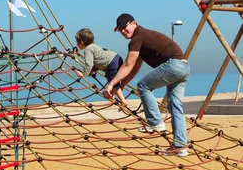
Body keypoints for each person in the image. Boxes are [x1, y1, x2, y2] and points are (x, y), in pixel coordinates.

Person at [103, 14, 189, 157]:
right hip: (184, 67)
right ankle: (180, 147)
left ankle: (155, 123)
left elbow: (127, 64)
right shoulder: (142, 39)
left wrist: (110, 84)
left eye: (124, 27)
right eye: (120, 30)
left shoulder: (138, 37)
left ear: (134, 23)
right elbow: (134, 68)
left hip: (174, 65)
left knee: (143, 86)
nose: (123, 31)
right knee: (175, 107)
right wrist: (121, 86)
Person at [74, 28, 128, 107]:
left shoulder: (88, 49)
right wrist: (93, 70)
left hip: (111, 62)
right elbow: (98, 60)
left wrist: (83, 73)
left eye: (77, 42)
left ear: (81, 42)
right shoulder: (94, 46)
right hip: (115, 58)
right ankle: (111, 95)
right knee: (110, 80)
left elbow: (88, 64)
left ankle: (123, 101)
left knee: (113, 83)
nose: (77, 44)